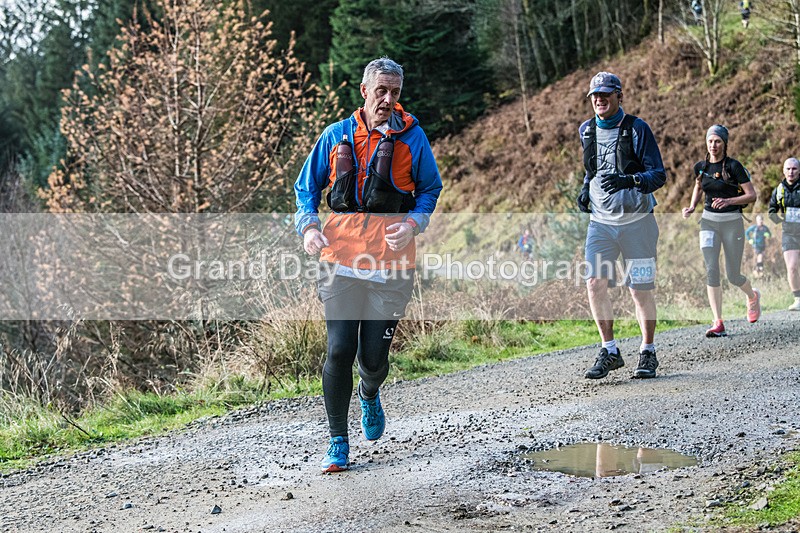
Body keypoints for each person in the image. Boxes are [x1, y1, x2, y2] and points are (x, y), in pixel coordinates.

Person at [294, 57, 442, 472]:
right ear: (365, 91)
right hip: (339, 259)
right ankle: (338, 441)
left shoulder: (413, 139)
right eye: (381, 91)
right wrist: (308, 228)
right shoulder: (336, 135)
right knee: (339, 348)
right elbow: (305, 188)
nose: (388, 99)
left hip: (391, 266)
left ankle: (370, 392)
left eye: (395, 92)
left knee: (373, 359)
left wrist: (413, 223)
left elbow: (431, 189)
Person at [576, 71, 667, 380]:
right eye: (594, 96)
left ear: (619, 96)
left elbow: (659, 175)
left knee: (638, 290)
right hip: (600, 224)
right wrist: (585, 188)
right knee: (594, 283)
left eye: (605, 94)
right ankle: (610, 350)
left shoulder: (637, 129)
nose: (599, 99)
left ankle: (648, 351)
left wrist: (629, 179)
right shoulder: (586, 130)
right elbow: (593, 168)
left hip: (637, 223)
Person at [682, 125, 760, 337]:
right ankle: (718, 322)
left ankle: (752, 296)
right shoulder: (701, 167)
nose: (713, 145)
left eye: (717, 141)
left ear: (724, 143)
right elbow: (699, 186)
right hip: (708, 223)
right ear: (706, 143)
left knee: (733, 275)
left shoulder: (734, 167)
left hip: (732, 223)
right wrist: (692, 206)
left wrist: (729, 201)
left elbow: (751, 195)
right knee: (711, 269)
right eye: (710, 141)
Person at [768, 157, 800, 311]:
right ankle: (798, 299)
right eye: (788, 169)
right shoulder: (779, 190)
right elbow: (771, 210)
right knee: (792, 267)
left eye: (794, 169)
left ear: (799, 170)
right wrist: (779, 219)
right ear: (783, 171)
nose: (791, 172)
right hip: (789, 233)